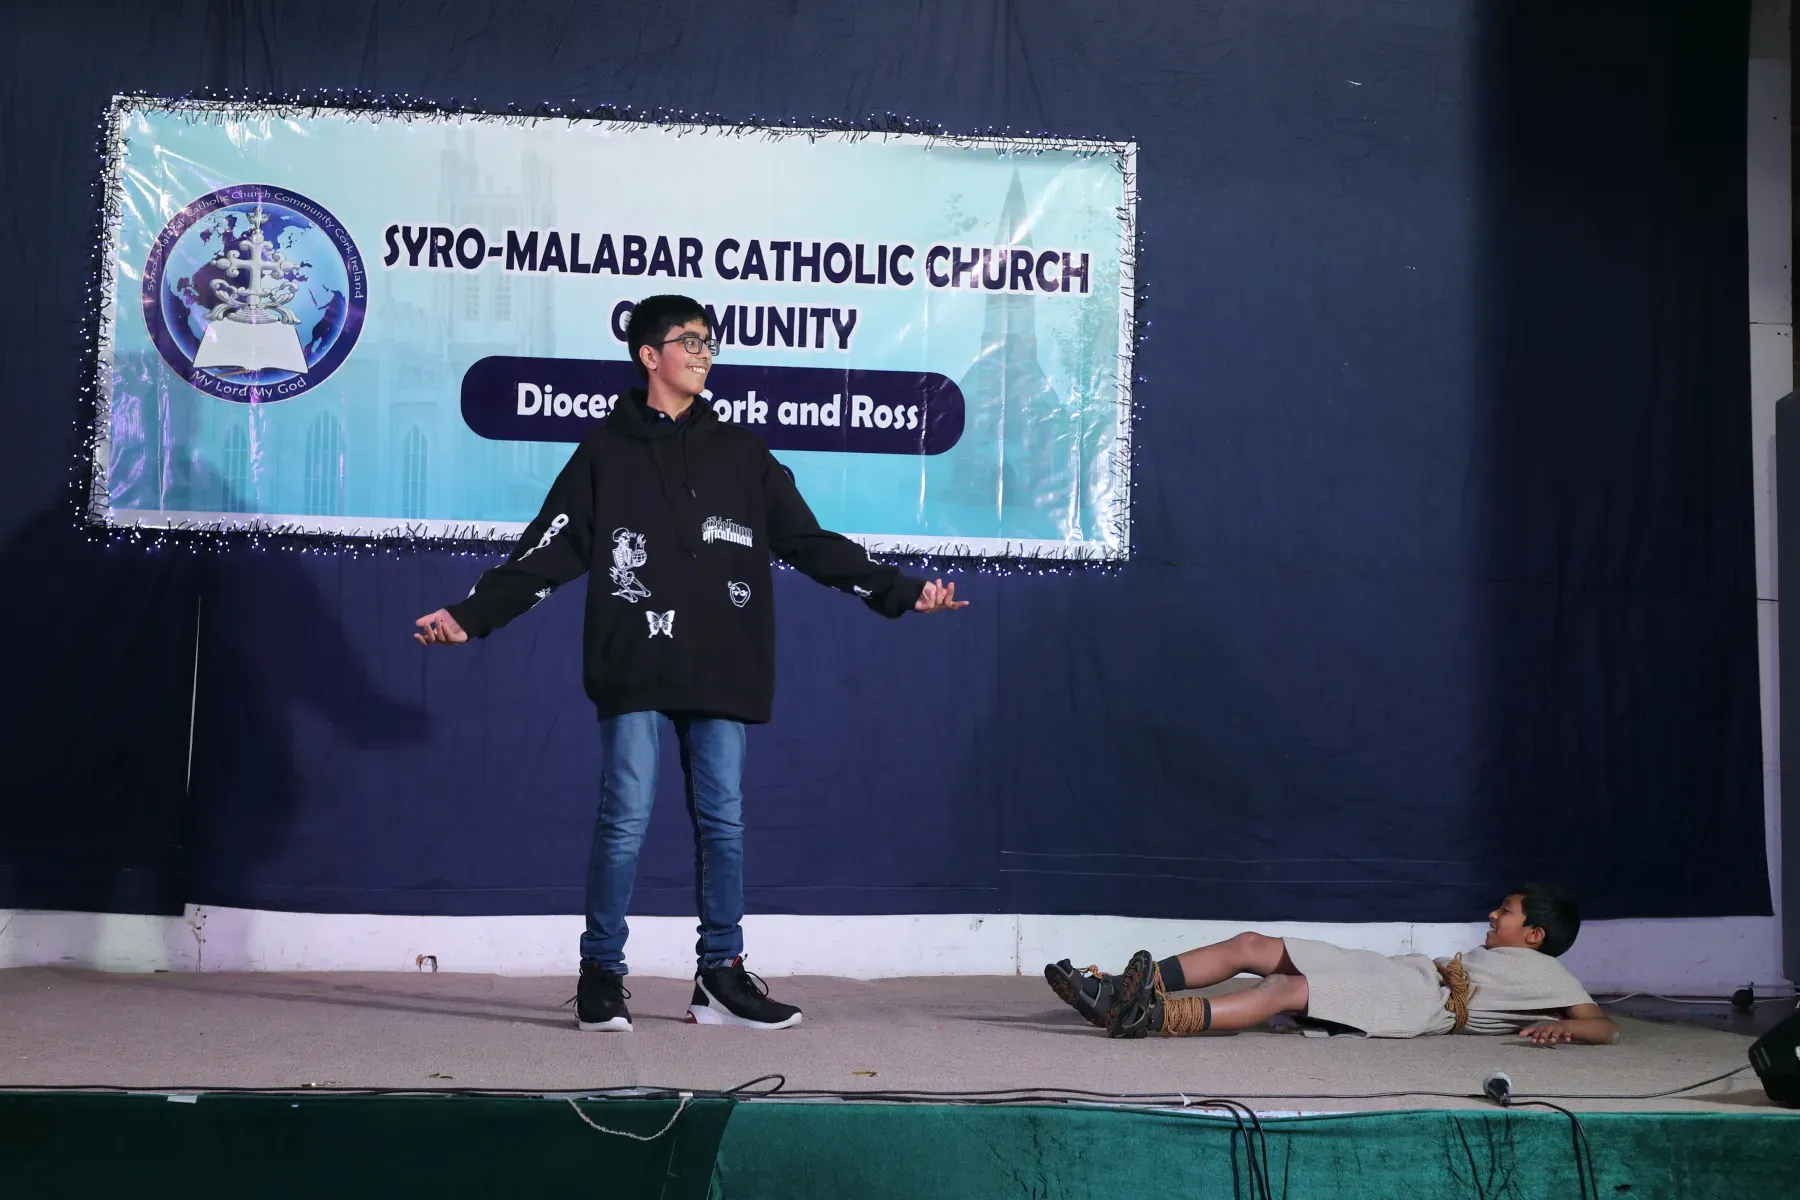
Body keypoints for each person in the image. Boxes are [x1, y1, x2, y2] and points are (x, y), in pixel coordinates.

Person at [415, 295, 967, 1033]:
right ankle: (601, 975)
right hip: (634, 662)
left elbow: (808, 542)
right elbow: (547, 549)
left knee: (724, 824)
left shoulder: (741, 452)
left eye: (709, 341)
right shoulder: (603, 452)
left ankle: (720, 977)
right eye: (689, 341)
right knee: (625, 820)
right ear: (650, 355)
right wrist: (471, 616)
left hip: (721, 664)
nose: (705, 353)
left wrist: (901, 590)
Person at [1046, 885, 1619, 1046]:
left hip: (1419, 1004)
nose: (1493, 915)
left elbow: (1603, 1025)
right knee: (1252, 943)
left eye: (1507, 912)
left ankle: (1148, 1017)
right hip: (1407, 972)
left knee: (1283, 986)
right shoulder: (1486, 955)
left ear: (1535, 935)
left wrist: (1567, 1028)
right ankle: (1119, 989)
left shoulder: (1552, 976)